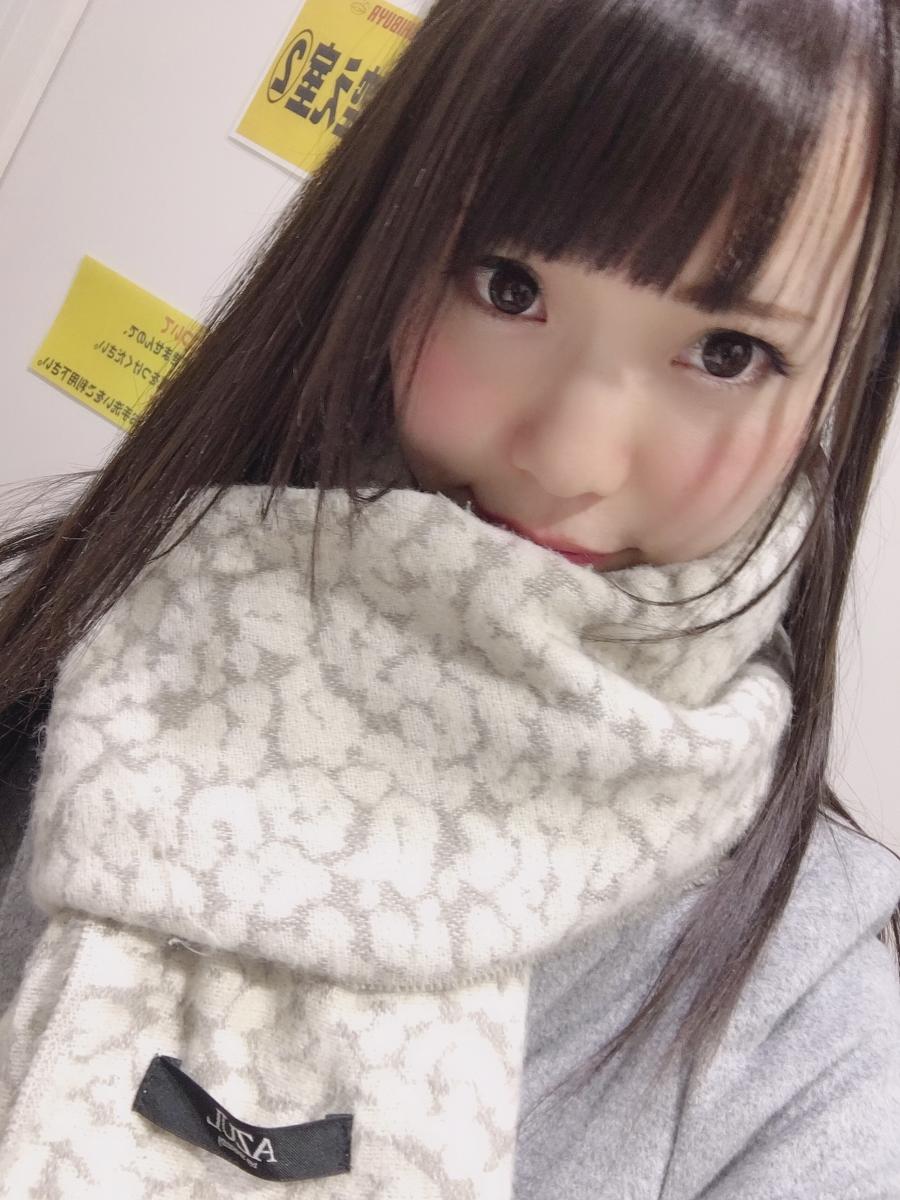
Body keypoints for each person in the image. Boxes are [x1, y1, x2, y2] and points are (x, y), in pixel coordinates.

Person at [1, 0, 899, 1194]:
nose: (569, 460)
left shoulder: (804, 1019)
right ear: (385, 248)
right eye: (508, 287)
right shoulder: (78, 652)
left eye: (728, 352)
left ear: (838, 386)